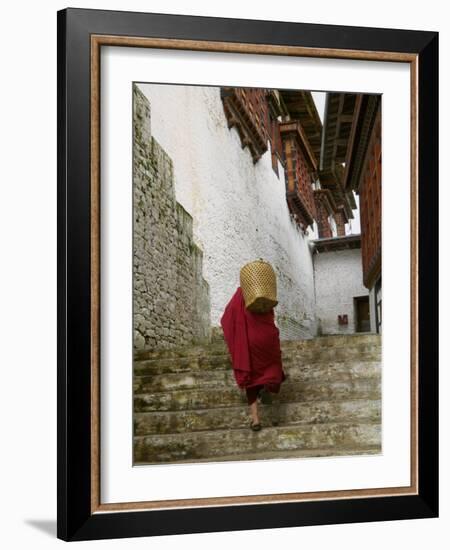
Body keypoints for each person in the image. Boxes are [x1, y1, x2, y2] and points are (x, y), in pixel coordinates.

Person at [220, 286, 286, 431]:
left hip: (250, 341)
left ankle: (255, 420)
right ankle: (267, 386)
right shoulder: (264, 293)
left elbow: (226, 318)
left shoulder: (240, 293)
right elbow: (271, 314)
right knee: (271, 366)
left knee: (251, 379)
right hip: (268, 337)